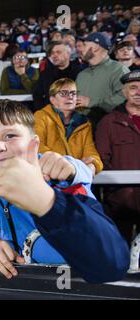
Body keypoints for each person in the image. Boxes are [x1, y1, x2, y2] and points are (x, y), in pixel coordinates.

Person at [0, 99, 130, 283]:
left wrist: (49, 204)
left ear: (35, 143)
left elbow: (112, 261)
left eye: (10, 136)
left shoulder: (64, 182)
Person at [95, 70, 140, 244]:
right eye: (133, 88)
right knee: (120, 255)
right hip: (121, 203)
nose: (138, 92)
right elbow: (102, 160)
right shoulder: (108, 122)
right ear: (124, 92)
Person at [34, 78, 103, 175]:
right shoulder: (40, 117)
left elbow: (91, 153)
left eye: (73, 93)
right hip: (48, 177)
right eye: (63, 93)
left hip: (76, 178)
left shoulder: (84, 123)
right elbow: (38, 148)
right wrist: (70, 165)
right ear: (52, 99)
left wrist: (92, 166)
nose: (70, 97)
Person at [76, 32, 130, 128]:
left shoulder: (118, 70)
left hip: (110, 129)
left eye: (84, 45)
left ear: (96, 47)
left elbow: (125, 98)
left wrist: (93, 102)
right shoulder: (81, 74)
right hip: (81, 130)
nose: (80, 49)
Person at [33, 41, 83, 110]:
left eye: (58, 52)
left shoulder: (80, 73)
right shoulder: (46, 74)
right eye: (52, 53)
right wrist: (45, 111)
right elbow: (37, 95)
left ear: (68, 54)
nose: (54, 55)